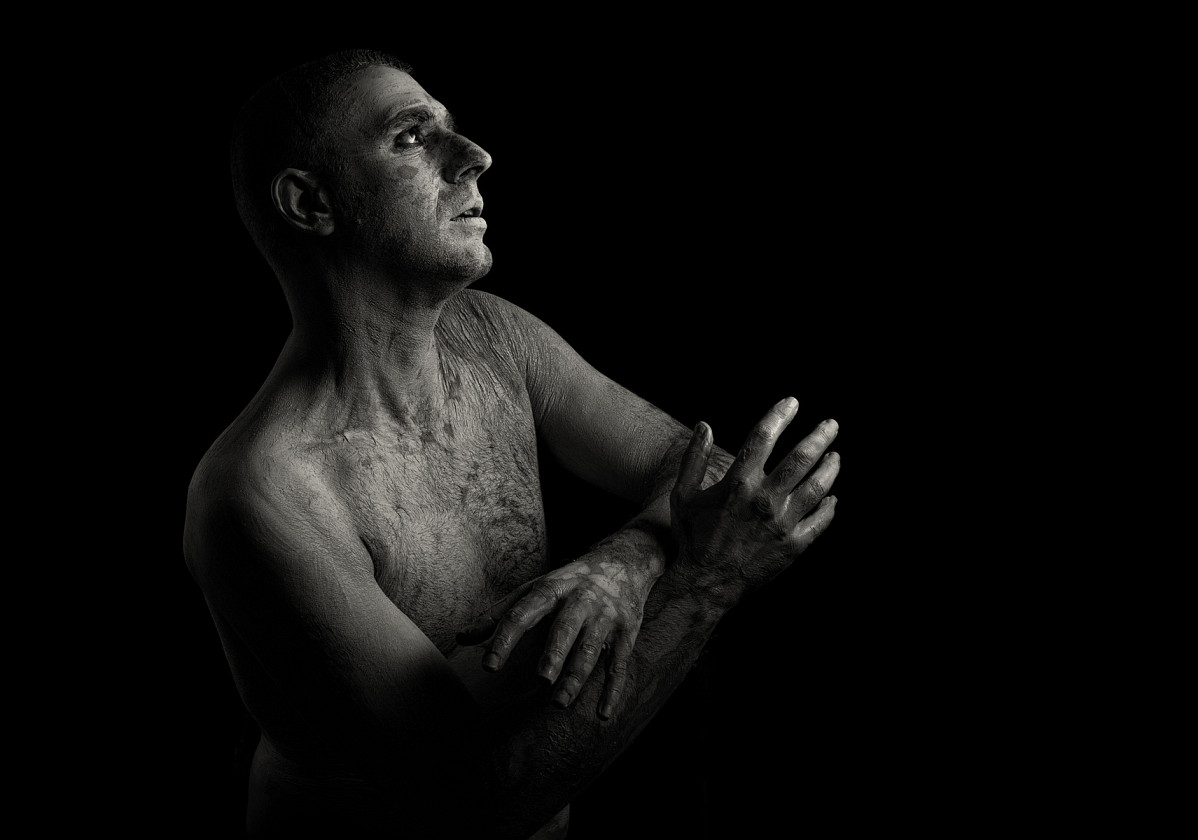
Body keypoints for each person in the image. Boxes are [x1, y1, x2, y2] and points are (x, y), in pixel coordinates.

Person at [183, 48, 841, 839]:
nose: (477, 156)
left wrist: (628, 559)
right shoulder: (265, 493)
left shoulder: (495, 338)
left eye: (452, 129)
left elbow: (717, 481)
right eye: (411, 137)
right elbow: (478, 804)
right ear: (310, 202)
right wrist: (704, 583)